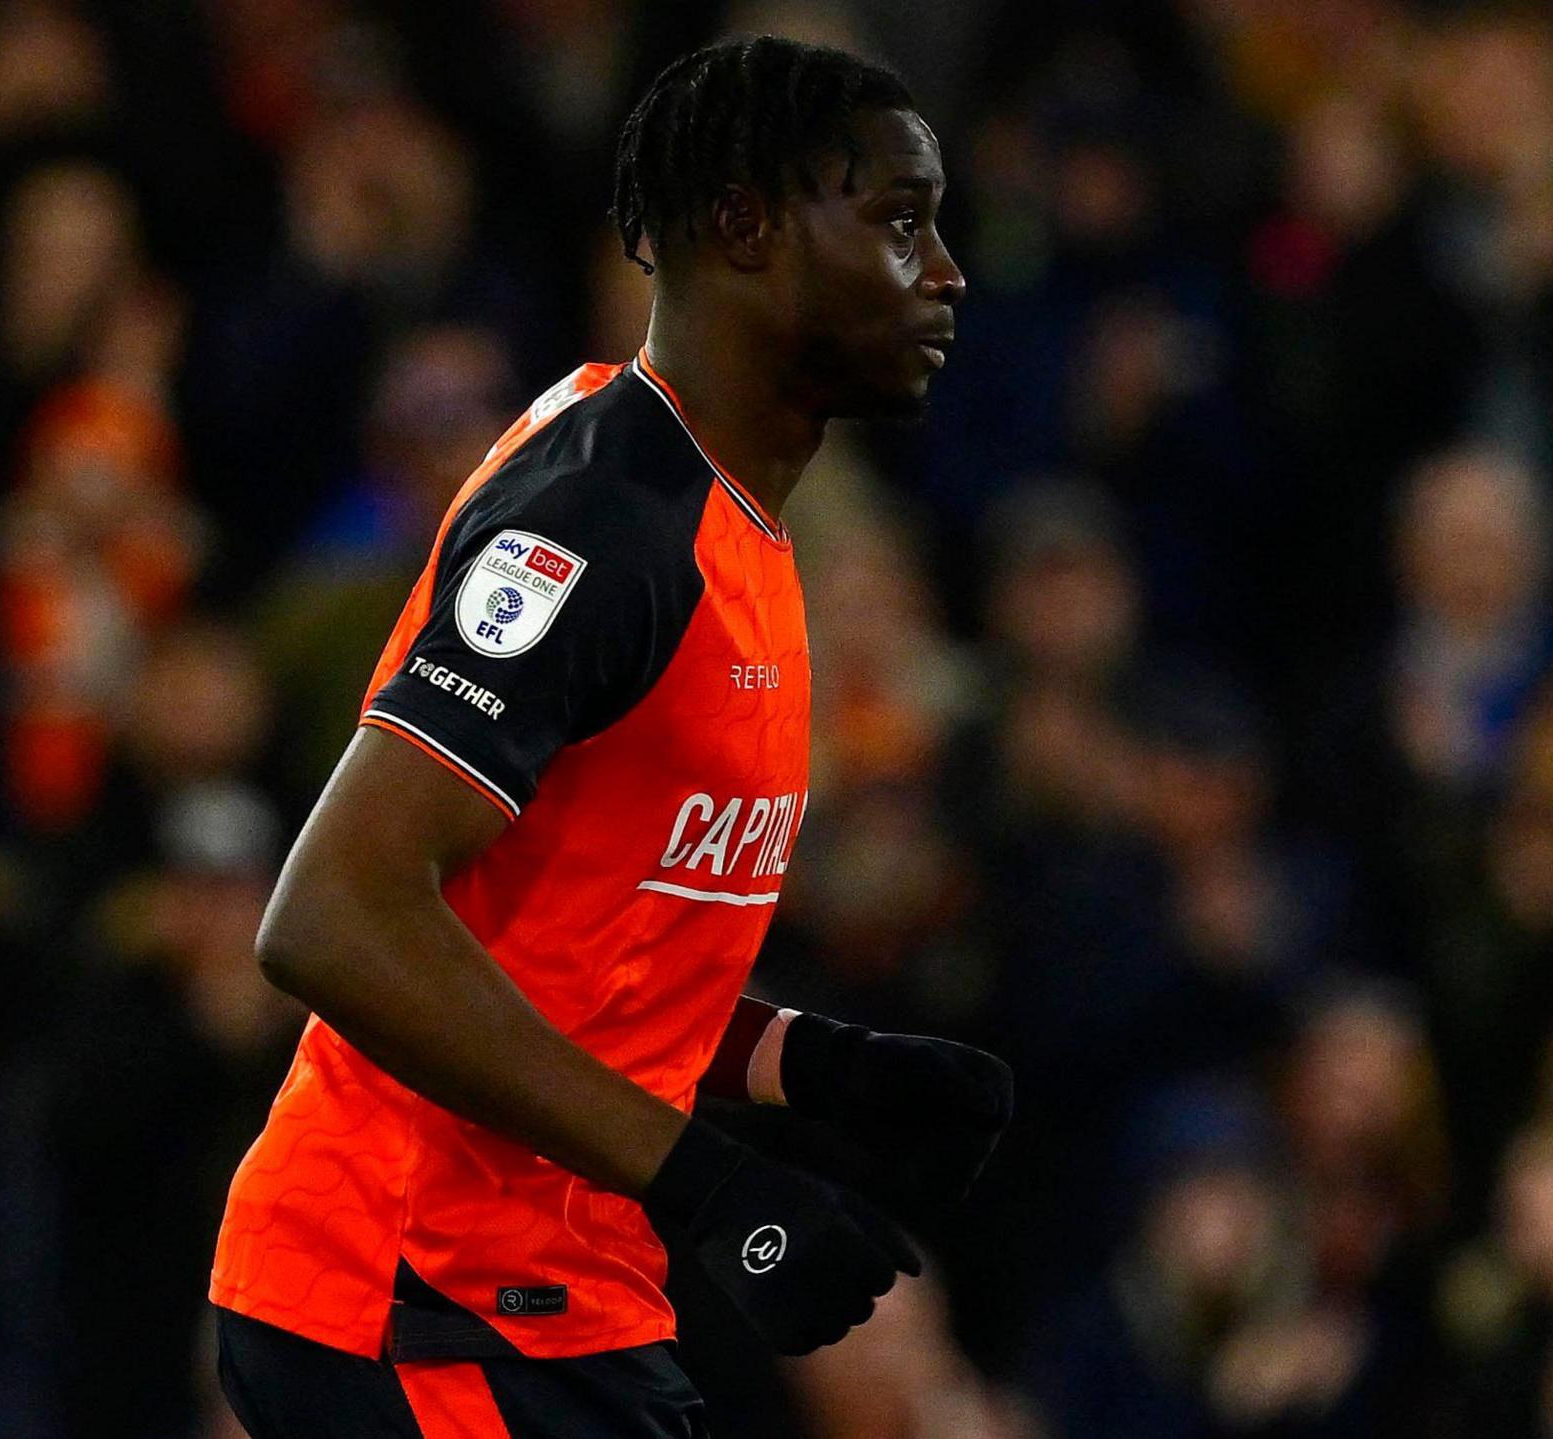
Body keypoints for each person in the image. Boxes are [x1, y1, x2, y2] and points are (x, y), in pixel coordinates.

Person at [207, 35, 1012, 1439]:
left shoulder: (740, 528)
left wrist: (805, 1065)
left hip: (550, 1306)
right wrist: (713, 1185)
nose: (944, 270)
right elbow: (333, 915)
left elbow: (569, 958)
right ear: (745, 228)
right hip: (409, 1302)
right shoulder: (600, 522)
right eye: (895, 220)